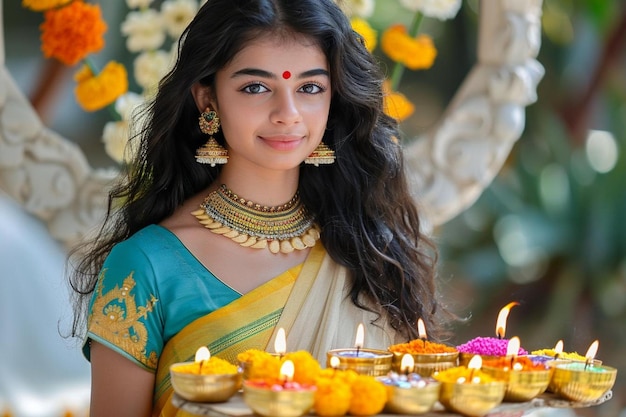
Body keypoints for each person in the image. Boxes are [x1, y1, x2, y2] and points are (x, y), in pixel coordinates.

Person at [68, 0, 453, 415]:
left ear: (333, 98)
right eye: (256, 87)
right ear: (207, 100)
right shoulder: (144, 267)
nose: (287, 114)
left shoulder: (369, 248)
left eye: (309, 88)